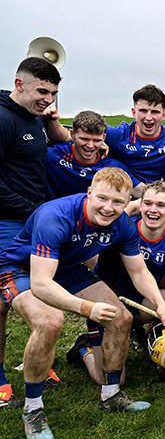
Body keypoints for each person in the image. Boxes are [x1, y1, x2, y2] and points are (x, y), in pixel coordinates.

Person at [0, 168, 165, 439]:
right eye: (102, 199)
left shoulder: (122, 224)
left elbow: (139, 271)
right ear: (89, 194)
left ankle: (111, 396)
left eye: (118, 202)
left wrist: (160, 304)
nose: (109, 208)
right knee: (50, 321)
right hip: (22, 269)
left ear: (126, 202)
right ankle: (33, 409)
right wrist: (86, 308)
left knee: (121, 317)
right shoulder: (55, 216)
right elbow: (41, 284)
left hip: (68, 269)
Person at [78, 181, 165, 392]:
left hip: (139, 302)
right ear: (140, 205)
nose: (153, 210)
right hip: (110, 303)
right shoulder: (121, 227)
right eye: (148, 203)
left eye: (161, 205)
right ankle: (85, 348)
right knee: (108, 379)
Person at [0, 57, 70, 410]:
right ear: (19, 83)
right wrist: (35, 210)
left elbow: (54, 142)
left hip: (31, 221)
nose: (48, 98)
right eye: (42, 91)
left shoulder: (35, 115)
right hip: (7, 224)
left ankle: (38, 364)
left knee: (37, 292)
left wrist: (51, 120)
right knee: (6, 300)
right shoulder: (2, 118)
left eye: (53, 93)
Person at [105, 84, 165, 184]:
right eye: (143, 111)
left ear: (164, 115)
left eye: (155, 112)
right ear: (134, 112)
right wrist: (97, 141)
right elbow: (84, 129)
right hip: (125, 196)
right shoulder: (116, 134)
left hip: (162, 196)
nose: (148, 117)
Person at [45, 110, 140, 200]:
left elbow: (140, 192)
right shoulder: (52, 156)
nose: (90, 146)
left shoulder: (114, 167)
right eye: (84, 139)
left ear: (104, 138)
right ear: (72, 134)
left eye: (97, 140)